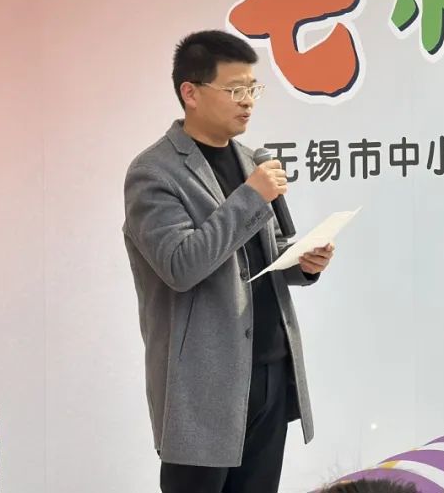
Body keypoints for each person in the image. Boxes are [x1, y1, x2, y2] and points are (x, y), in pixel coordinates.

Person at [123, 30, 335, 493]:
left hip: (270, 369)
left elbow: (259, 255)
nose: (248, 102)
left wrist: (302, 263)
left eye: (253, 89)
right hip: (205, 382)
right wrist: (251, 196)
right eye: (235, 90)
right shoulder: (153, 172)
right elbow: (181, 266)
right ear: (191, 92)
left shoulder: (248, 159)